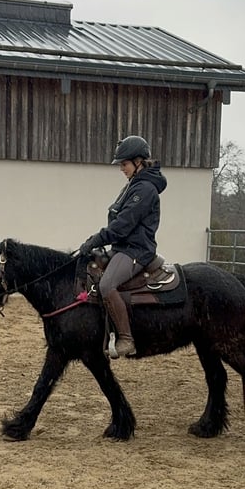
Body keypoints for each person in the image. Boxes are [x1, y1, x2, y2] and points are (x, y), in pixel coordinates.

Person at [78, 135, 167, 358]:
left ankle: (127, 339)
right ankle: (104, 336)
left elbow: (123, 224)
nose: (121, 169)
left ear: (139, 162)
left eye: (124, 164)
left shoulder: (145, 189)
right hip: (123, 248)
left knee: (107, 284)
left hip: (136, 251)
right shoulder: (134, 185)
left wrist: (95, 240)